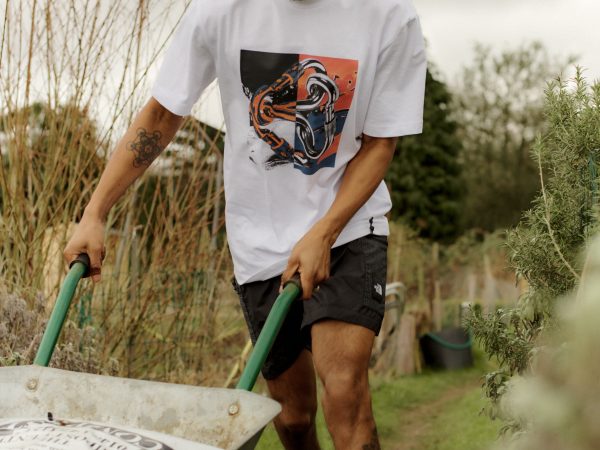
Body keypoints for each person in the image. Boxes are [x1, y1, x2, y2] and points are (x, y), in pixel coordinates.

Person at [64, 0, 426, 448]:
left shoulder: (389, 14)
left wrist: (324, 231)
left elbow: (380, 143)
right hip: (259, 242)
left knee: (345, 393)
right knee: (292, 418)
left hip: (347, 227)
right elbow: (162, 113)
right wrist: (95, 212)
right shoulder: (218, 11)